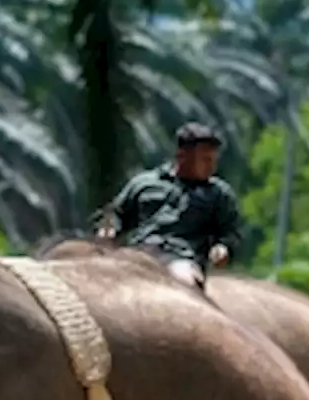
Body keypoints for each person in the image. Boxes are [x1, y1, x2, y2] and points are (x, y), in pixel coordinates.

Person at [94, 121, 244, 289]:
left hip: (181, 258)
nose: (212, 166)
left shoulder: (219, 194)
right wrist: (109, 227)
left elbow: (230, 233)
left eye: (213, 160)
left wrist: (223, 248)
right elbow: (115, 212)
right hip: (137, 252)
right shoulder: (143, 183)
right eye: (205, 160)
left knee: (186, 284)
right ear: (182, 156)